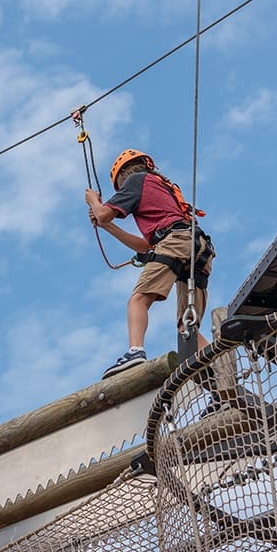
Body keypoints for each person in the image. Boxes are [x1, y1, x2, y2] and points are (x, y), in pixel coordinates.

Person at [85, 149, 213, 379]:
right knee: (187, 328)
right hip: (197, 246)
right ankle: (222, 378)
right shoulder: (160, 187)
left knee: (138, 300)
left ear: (123, 176)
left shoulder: (136, 180)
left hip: (175, 242)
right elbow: (144, 247)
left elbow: (103, 214)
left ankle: (136, 352)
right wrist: (106, 225)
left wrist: (94, 201)